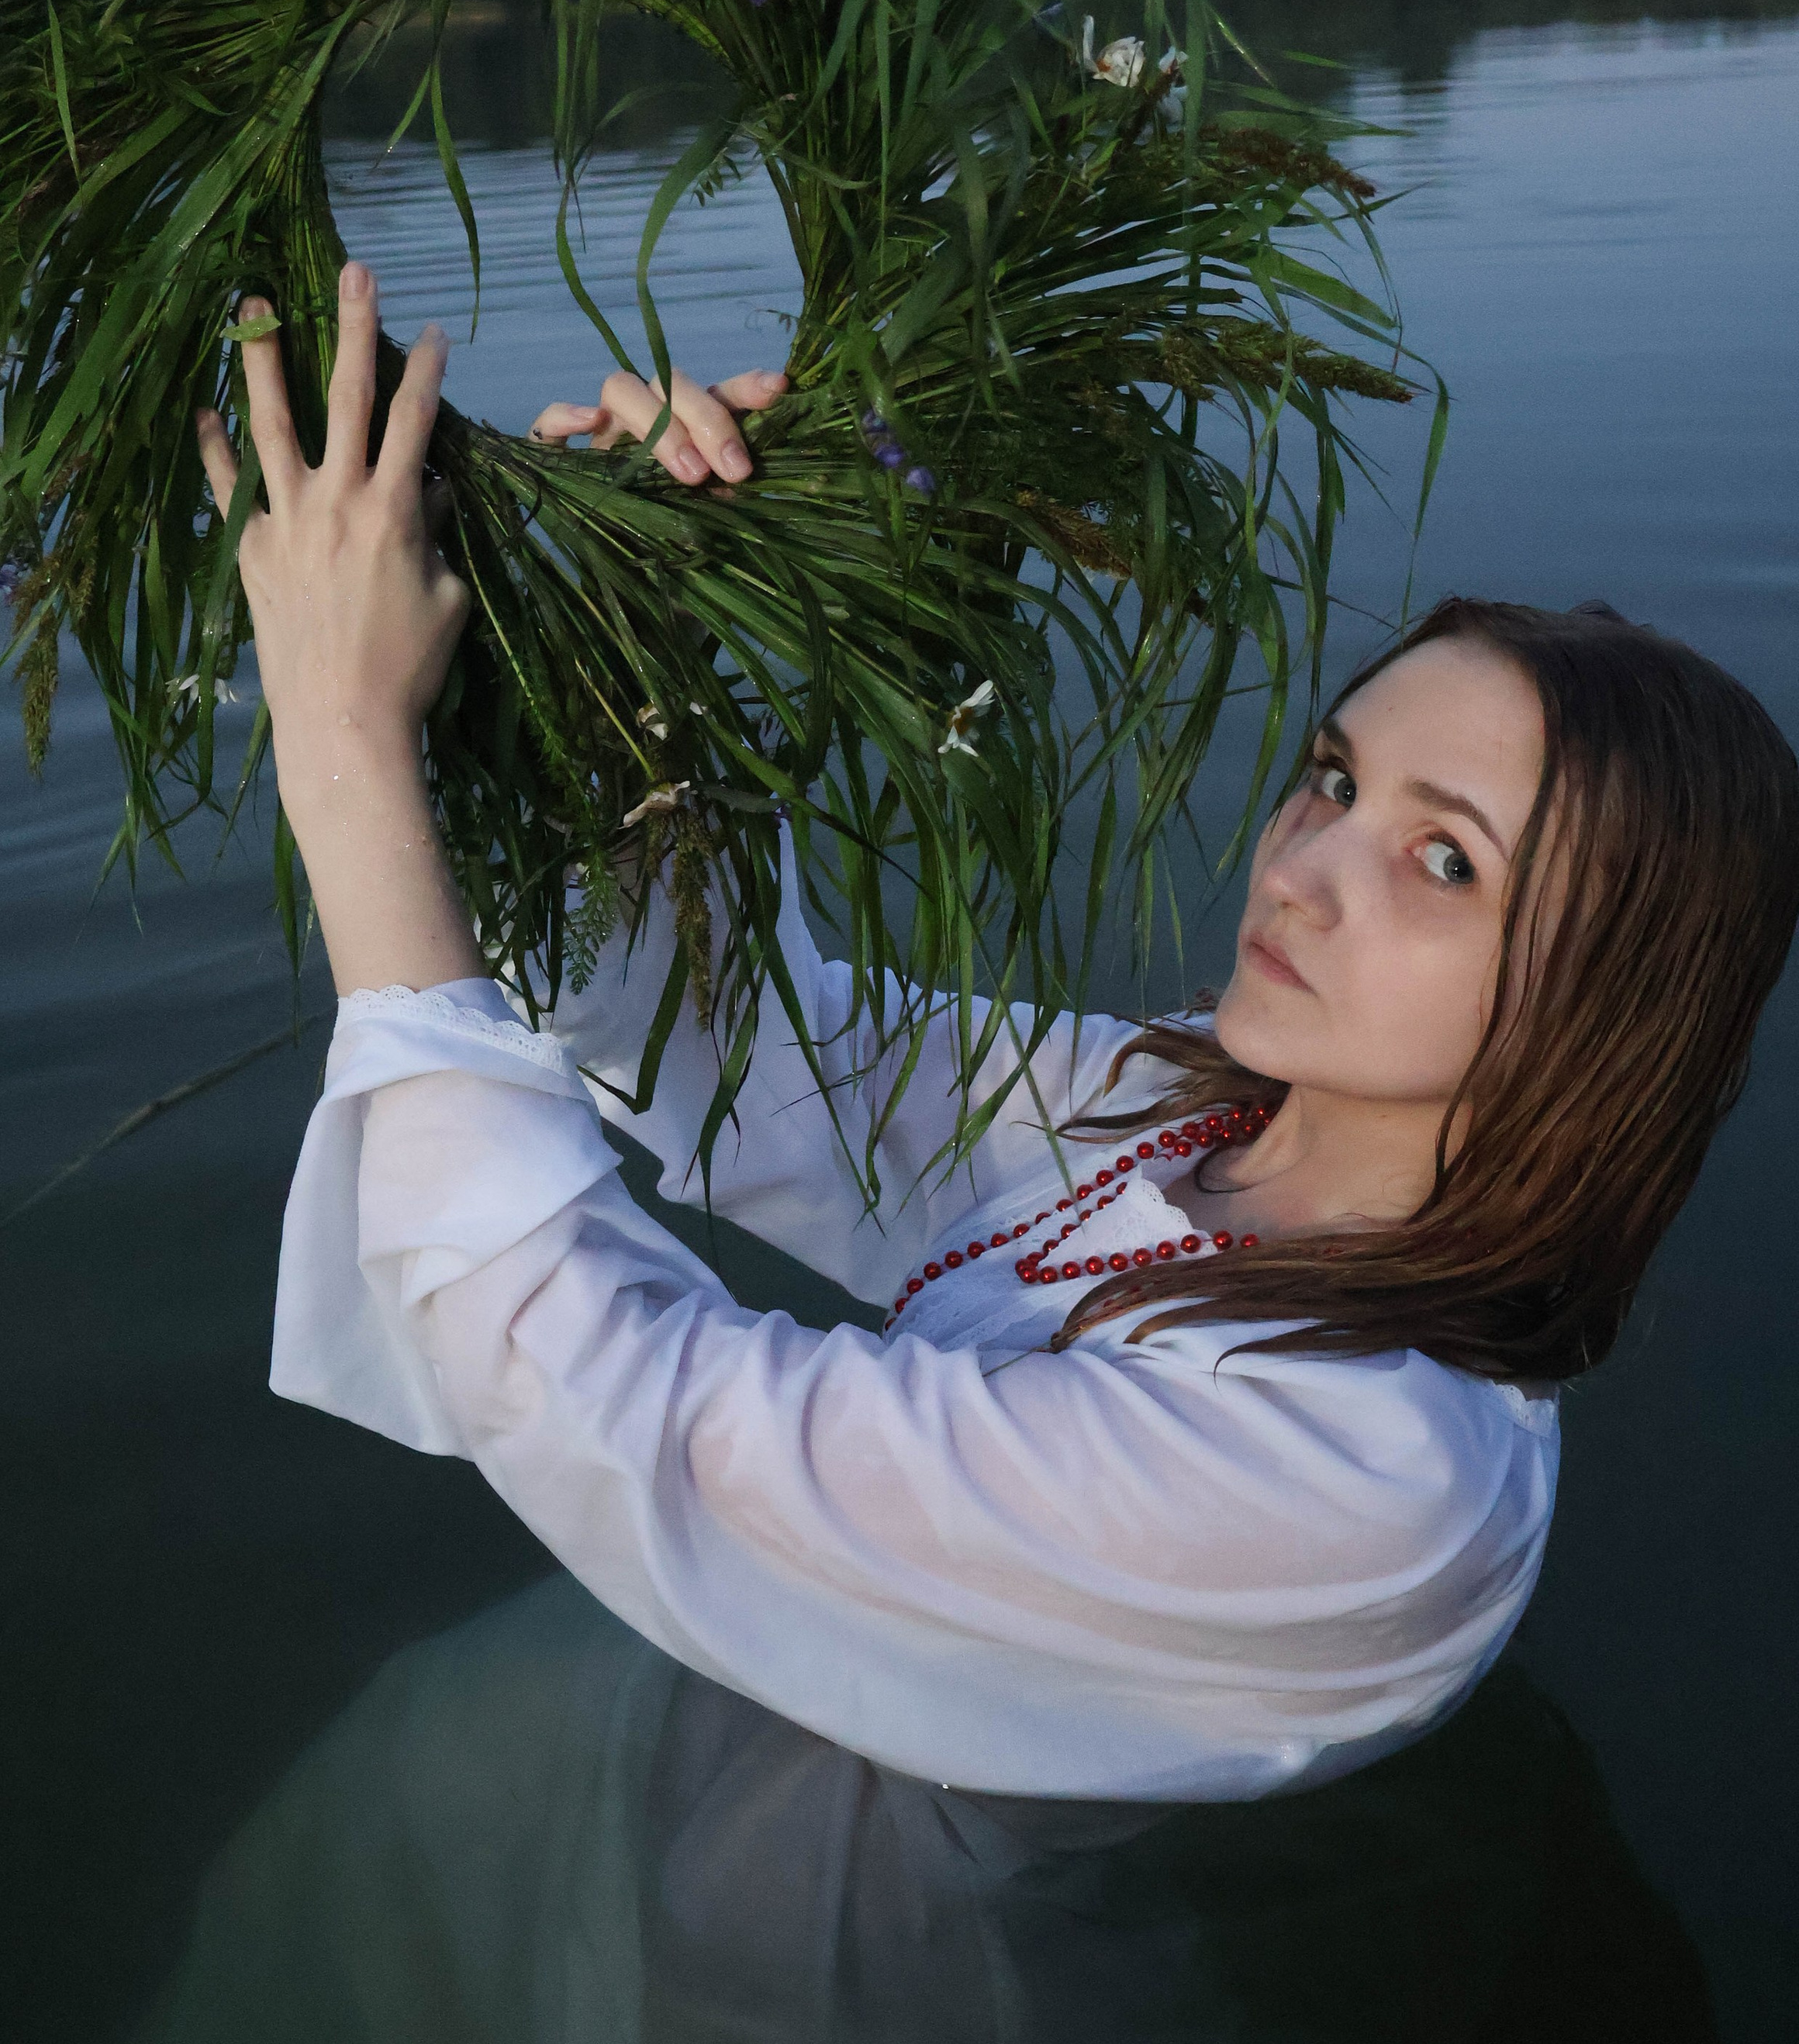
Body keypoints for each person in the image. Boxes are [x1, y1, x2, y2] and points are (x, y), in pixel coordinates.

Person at [197, 261, 1799, 1806]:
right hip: (720, 1728)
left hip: (887, 1977)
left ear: (1614, 994)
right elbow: (765, 1062)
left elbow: (620, 1401)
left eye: (1442, 860)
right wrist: (624, 643)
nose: (1304, 870)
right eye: (1330, 777)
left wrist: (346, 746)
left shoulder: (1370, 1479)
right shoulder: (1204, 1110)